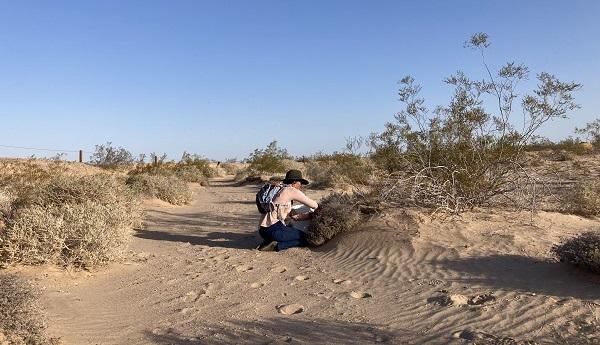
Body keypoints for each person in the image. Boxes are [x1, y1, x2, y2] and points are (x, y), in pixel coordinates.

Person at [256, 169, 318, 251]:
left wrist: (309, 216)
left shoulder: (279, 190)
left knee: (291, 231)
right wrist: (320, 209)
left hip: (263, 231)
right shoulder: (291, 190)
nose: (301, 185)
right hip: (274, 229)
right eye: (300, 183)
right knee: (307, 238)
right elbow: (314, 205)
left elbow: (294, 216)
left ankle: (269, 241)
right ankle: (277, 246)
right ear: (294, 182)